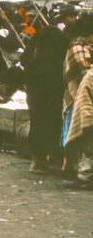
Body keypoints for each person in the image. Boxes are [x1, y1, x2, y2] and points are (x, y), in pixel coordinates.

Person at [22, 25, 68, 173]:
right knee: (50, 124)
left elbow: (24, 60)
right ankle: (40, 161)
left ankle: (38, 160)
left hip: (34, 91)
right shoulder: (57, 48)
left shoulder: (35, 50)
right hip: (51, 92)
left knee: (37, 123)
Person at [62, 14, 93, 175]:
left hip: (82, 93)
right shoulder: (77, 46)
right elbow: (84, 70)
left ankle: (73, 167)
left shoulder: (84, 46)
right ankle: (71, 167)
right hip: (75, 94)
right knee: (74, 131)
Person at [66, 66, 93, 189]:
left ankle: (85, 177)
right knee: (88, 150)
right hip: (88, 117)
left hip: (88, 116)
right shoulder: (90, 77)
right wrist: (88, 118)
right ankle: (85, 178)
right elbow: (85, 101)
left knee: (88, 150)